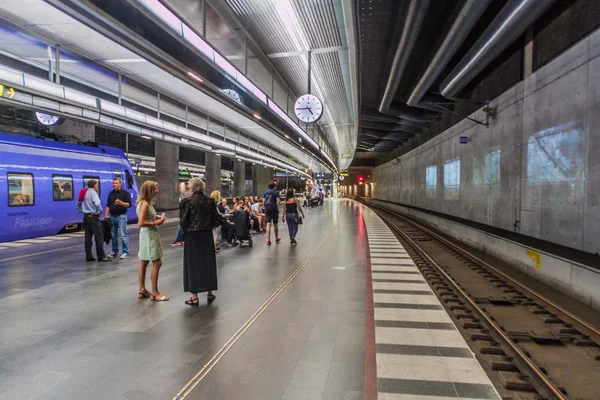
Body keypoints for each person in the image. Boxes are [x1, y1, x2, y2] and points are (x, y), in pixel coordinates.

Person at [180, 178, 223, 305]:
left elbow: (183, 222)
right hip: (206, 236)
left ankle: (194, 296)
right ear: (203, 188)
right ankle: (209, 293)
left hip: (192, 237)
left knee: (193, 265)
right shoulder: (209, 201)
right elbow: (216, 220)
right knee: (207, 263)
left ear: (191, 188)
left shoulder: (187, 202)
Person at [136, 181, 168, 301]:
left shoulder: (142, 203)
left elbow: (144, 217)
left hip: (145, 235)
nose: (157, 191)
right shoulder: (145, 204)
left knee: (143, 262)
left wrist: (156, 216)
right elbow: (140, 223)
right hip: (150, 235)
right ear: (149, 190)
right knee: (157, 262)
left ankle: (142, 290)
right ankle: (155, 293)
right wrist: (155, 222)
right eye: (155, 189)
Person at [79, 179, 109, 262]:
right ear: (95, 185)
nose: (97, 186)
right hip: (93, 218)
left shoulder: (84, 192)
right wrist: (100, 211)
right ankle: (101, 256)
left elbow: (78, 204)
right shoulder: (93, 193)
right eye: (97, 184)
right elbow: (97, 203)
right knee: (99, 237)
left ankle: (89, 256)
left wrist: (82, 211)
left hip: (86, 218)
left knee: (88, 238)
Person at [105, 178, 131, 259]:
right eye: (113, 183)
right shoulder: (110, 193)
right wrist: (106, 215)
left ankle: (125, 252)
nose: (114, 184)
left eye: (116, 183)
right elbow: (108, 205)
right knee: (113, 235)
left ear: (120, 184)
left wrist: (121, 203)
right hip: (112, 216)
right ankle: (114, 251)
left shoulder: (125, 193)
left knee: (124, 235)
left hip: (121, 217)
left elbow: (128, 205)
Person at [263, 181, 281, 245]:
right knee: (275, 224)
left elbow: (263, 202)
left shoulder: (265, 193)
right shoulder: (276, 192)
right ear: (274, 186)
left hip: (267, 210)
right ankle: (276, 238)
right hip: (274, 210)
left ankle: (268, 240)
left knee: (268, 224)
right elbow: (278, 202)